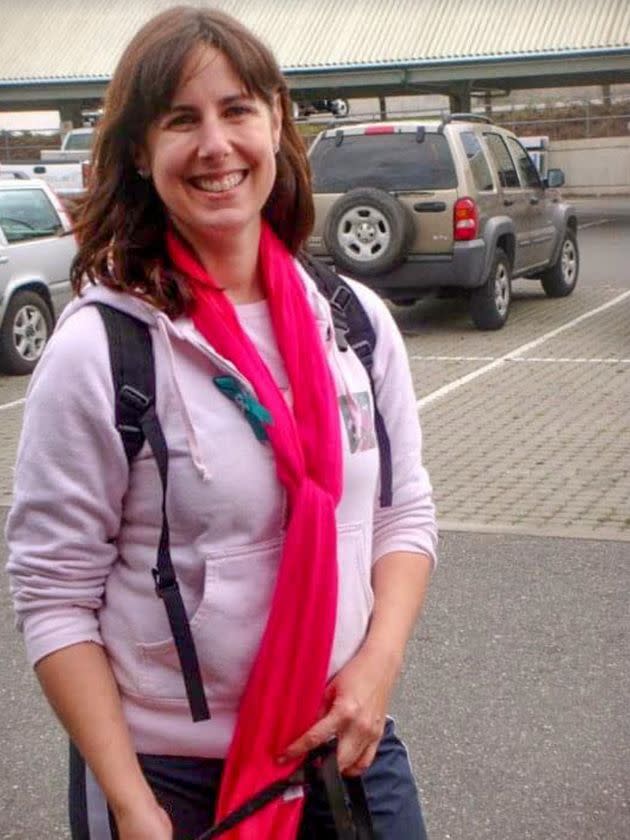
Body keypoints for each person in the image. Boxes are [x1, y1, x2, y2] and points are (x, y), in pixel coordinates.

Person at [5, 6, 438, 839]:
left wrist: (377, 672)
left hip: (344, 740)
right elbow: (55, 595)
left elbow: (403, 513)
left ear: (276, 121)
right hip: (171, 775)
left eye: (237, 109)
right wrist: (131, 804)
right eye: (180, 120)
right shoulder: (102, 349)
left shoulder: (353, 321)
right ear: (139, 150)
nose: (216, 145)